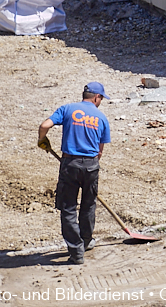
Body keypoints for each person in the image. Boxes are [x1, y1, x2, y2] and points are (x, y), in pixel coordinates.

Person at [38, 82, 111, 265]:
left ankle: (76, 251)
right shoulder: (101, 118)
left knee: (68, 207)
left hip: (70, 164)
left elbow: (44, 125)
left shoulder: (67, 109)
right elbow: (100, 152)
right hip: (91, 165)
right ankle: (86, 241)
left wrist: (42, 139)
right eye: (101, 98)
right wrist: (90, 165)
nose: (100, 101)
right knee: (88, 205)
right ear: (96, 97)